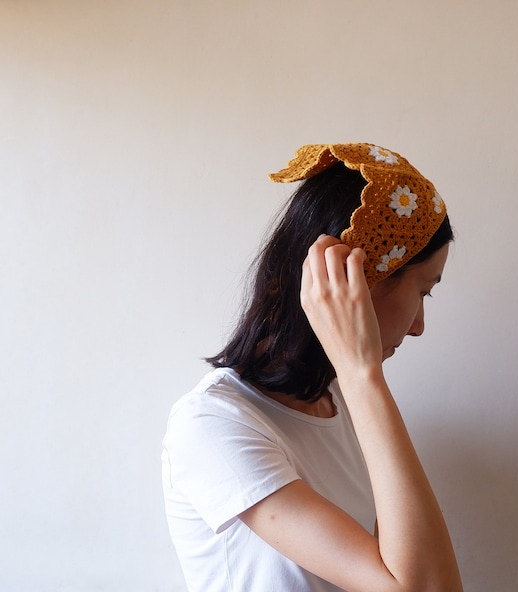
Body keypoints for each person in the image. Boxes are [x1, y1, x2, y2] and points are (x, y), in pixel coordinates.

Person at [162, 143, 464, 592]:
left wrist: (359, 381)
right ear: (361, 283)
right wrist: (363, 375)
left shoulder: (342, 402)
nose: (419, 326)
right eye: (423, 292)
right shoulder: (213, 424)